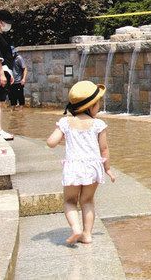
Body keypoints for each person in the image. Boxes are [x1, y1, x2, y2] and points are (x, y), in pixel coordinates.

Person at [46, 81, 116, 245]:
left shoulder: (65, 122)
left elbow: (51, 142)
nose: (99, 106)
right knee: (87, 201)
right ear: (91, 106)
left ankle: (76, 228)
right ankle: (87, 234)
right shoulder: (98, 124)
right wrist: (108, 169)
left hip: (74, 167)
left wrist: (62, 136)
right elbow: (104, 150)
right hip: (93, 168)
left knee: (70, 201)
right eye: (98, 103)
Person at [0, 10, 14, 140]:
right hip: (0, 73)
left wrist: (9, 72)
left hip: (4, 71)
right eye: (6, 23)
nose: (8, 25)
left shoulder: (1, 36)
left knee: (1, 102)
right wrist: (1, 74)